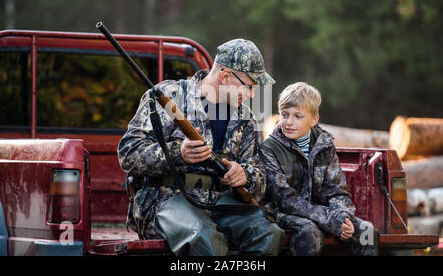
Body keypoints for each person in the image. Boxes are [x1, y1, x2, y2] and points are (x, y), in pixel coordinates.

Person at [118, 38, 285, 256]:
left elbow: (259, 172)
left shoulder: (246, 118)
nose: (252, 95)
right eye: (249, 86)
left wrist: (245, 175)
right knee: (202, 236)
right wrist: (179, 154)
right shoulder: (169, 97)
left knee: (269, 232)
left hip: (222, 203)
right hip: (167, 200)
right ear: (225, 76)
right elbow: (128, 152)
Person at [260, 82, 379, 256]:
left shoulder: (324, 146)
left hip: (320, 213)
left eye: (297, 116)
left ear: (314, 119)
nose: (289, 122)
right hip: (279, 213)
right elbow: (285, 200)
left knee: (367, 231)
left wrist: (344, 217)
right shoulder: (269, 149)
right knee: (309, 231)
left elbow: (337, 191)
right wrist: (332, 220)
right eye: (284, 115)